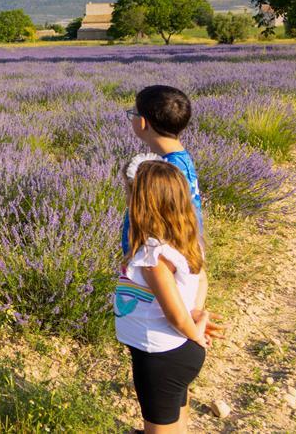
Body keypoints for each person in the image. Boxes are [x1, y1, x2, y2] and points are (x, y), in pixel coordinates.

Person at [115, 159, 211, 433]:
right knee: (175, 421)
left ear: (142, 206)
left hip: (160, 355)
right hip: (172, 352)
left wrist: (196, 331)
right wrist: (196, 313)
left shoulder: (153, 257)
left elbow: (175, 315)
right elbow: (200, 280)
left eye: (129, 195)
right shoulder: (183, 242)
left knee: (158, 428)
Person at [122, 85, 202, 256]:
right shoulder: (180, 160)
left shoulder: (165, 171)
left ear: (143, 123)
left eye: (133, 113)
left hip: (157, 269)